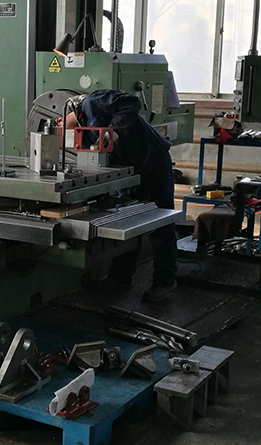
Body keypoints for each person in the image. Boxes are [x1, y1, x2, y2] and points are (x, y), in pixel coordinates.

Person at [58, 89, 178, 302]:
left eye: (59, 131)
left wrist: (113, 130)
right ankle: (120, 278)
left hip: (153, 162)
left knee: (160, 223)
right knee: (127, 222)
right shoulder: (82, 134)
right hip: (129, 170)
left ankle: (165, 281)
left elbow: (131, 101)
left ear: (61, 120)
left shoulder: (92, 102)